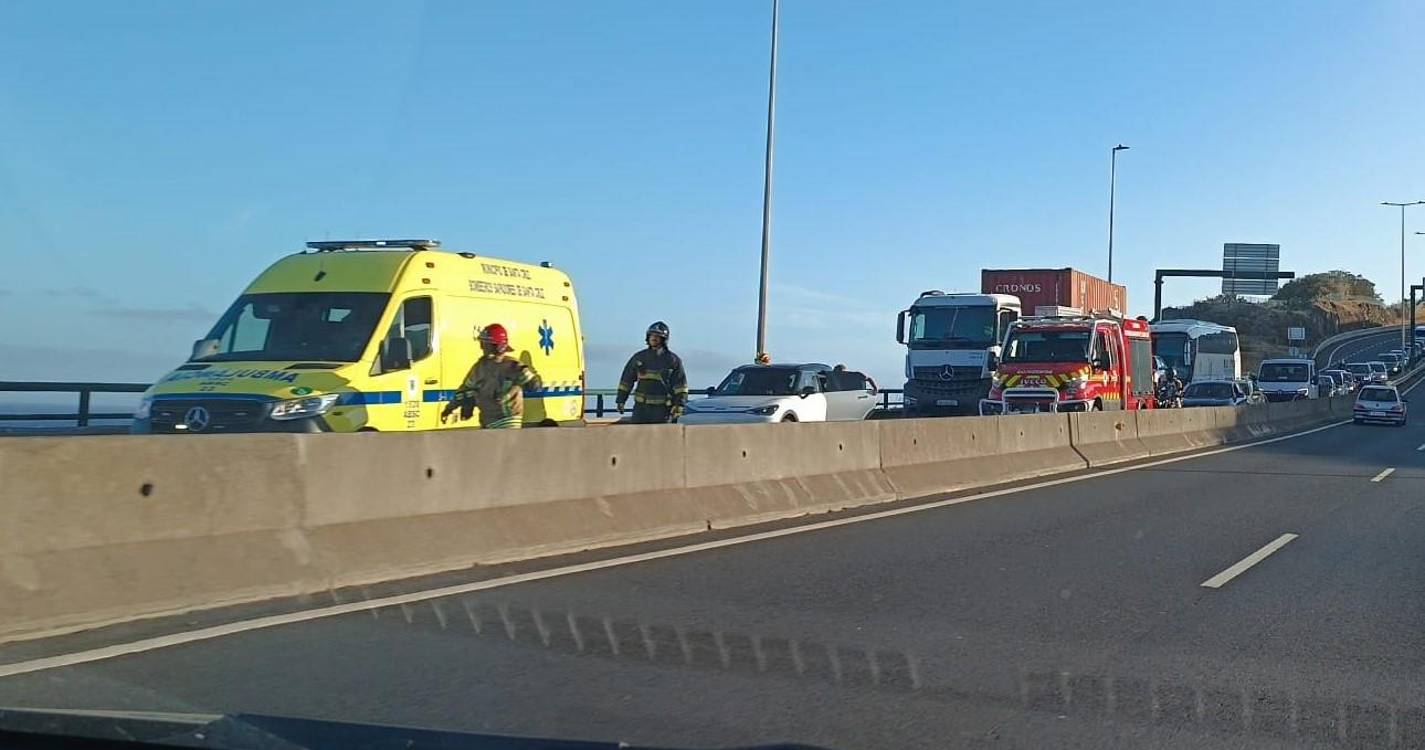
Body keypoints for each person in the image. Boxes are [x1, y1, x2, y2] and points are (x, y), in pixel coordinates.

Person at [441, 323, 541, 429]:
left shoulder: (512, 366)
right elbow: (464, 390)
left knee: (506, 445)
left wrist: (523, 383)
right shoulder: (481, 367)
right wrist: (450, 408)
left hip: (507, 421)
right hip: (489, 422)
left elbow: (534, 385)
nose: (482, 348)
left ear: (498, 346)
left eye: (485, 344)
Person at [616, 321, 688, 423]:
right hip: (640, 408)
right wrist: (621, 400)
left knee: (660, 437)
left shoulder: (672, 360)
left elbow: (680, 385)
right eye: (652, 335)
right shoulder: (639, 357)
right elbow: (626, 381)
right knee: (638, 437)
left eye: (657, 336)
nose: (654, 338)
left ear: (664, 339)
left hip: (662, 410)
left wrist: (679, 405)